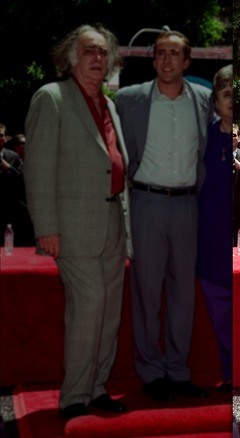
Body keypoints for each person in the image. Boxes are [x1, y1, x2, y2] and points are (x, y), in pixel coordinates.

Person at [24, 24, 131, 420]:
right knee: (89, 306)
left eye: (103, 53)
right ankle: (74, 398)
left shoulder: (108, 105)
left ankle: (97, 389)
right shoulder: (51, 98)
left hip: (111, 223)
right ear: (71, 57)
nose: (97, 59)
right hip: (72, 226)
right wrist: (46, 227)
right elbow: (36, 169)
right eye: (89, 51)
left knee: (109, 312)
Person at [115, 30, 212, 402]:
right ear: (152, 59)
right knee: (146, 292)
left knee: (183, 295)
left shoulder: (204, 101)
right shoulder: (128, 100)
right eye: (160, 54)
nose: (167, 60)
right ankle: (151, 373)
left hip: (188, 205)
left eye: (175, 54)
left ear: (187, 61)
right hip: (146, 203)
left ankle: (178, 370)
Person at [196, 64, 233, 392]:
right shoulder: (202, 140)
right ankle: (228, 371)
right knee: (220, 314)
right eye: (226, 93)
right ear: (216, 101)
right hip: (209, 246)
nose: (232, 99)